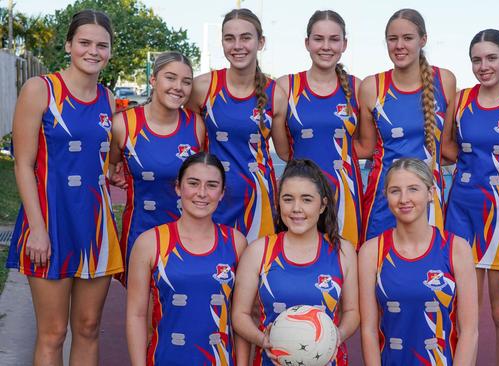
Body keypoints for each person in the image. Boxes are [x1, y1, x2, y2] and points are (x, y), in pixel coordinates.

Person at [6, 10, 123, 365]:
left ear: (109, 52)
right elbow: (23, 164)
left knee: (88, 327)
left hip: (96, 228)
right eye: (85, 42)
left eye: (101, 45)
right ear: (69, 45)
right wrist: (38, 230)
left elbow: (108, 160)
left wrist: (116, 171)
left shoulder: (109, 99)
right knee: (53, 332)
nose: (93, 51)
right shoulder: (40, 89)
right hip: (49, 224)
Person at [443, 29, 499, 365]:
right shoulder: (462, 99)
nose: (484, 66)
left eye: (491, 58)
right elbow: (447, 147)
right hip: (461, 213)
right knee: (460, 310)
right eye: (476, 60)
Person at [232, 159, 359, 365]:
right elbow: (240, 315)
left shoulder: (342, 250)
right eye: (288, 199)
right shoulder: (258, 250)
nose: (296, 208)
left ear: (322, 205)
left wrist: (336, 335)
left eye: (307, 200)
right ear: (278, 203)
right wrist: (263, 340)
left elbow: (353, 312)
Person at [126, 152, 247, 365]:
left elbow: (242, 316)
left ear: (221, 193)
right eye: (193, 183)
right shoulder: (149, 243)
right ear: (178, 188)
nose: (202, 193)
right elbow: (136, 315)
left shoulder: (236, 243)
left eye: (211, 185)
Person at [358, 158, 478, 365]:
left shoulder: (456, 249)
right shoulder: (371, 252)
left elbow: (469, 331)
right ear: (386, 195)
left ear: (430, 193)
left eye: (413, 189)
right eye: (395, 191)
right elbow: (368, 330)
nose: (404, 199)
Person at [355, 8, 456, 242]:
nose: (399, 45)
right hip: (384, 198)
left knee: (428, 270)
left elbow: (448, 147)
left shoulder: (445, 80)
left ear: (423, 39)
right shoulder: (372, 87)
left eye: (407, 38)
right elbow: (367, 148)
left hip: (429, 197)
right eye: (393, 39)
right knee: (379, 270)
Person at [188, 8, 287, 243]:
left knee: (254, 274)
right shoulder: (202, 87)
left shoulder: (276, 94)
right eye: (229, 38)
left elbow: (286, 153)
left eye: (246, 37)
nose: (237, 45)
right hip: (211, 198)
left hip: (258, 200)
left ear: (260, 42)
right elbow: (185, 140)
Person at [109, 51, 204, 282]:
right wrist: (116, 176)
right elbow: (110, 165)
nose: (178, 87)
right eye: (170, 78)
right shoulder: (124, 124)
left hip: (187, 238)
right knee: (141, 313)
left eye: (186, 81)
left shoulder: (196, 125)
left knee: (179, 313)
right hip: (140, 231)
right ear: (153, 80)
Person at [272, 10, 363, 248]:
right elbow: (283, 151)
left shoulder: (358, 88)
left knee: (344, 264)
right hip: (299, 194)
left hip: (345, 193)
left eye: (334, 39)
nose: (326, 46)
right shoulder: (286, 86)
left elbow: (367, 145)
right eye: (318, 39)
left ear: (344, 44)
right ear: (307, 43)